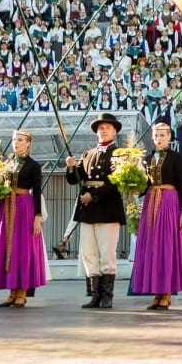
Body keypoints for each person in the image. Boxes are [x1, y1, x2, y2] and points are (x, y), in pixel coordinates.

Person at [66, 112, 126, 309]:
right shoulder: (88, 154)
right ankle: (95, 294)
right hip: (88, 210)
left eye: (107, 127)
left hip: (107, 208)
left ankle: (107, 295)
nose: (103, 130)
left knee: (106, 252)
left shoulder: (119, 154)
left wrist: (94, 195)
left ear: (115, 131)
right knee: (89, 253)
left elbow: (116, 183)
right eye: (100, 128)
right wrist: (71, 168)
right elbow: (75, 179)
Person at [130, 122, 182, 309]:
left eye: (163, 135)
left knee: (166, 245)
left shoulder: (176, 158)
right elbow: (147, 184)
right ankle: (157, 292)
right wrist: (135, 189)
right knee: (153, 246)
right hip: (151, 202)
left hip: (169, 201)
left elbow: (181, 184)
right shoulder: (148, 158)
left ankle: (166, 292)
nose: (159, 139)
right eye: (156, 135)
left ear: (170, 137)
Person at [0, 129, 46, 307]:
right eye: (14, 139)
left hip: (23, 206)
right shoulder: (7, 163)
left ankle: (22, 291)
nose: (16, 143)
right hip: (6, 206)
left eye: (20, 140)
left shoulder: (33, 165)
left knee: (22, 248)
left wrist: (37, 216)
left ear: (28, 143)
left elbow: (37, 192)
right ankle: (12, 291)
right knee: (8, 248)